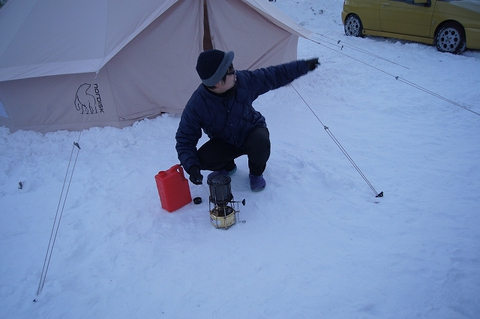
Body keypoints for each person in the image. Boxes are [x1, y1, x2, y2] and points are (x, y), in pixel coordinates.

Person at [175, 49, 319, 192]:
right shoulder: (197, 105)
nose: (234, 71)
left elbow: (273, 75)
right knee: (201, 159)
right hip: (226, 141)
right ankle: (227, 166)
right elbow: (184, 139)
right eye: (230, 69)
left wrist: (303, 66)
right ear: (218, 82)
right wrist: (192, 167)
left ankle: (256, 173)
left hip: (251, 131)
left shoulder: (244, 80)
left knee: (261, 142)